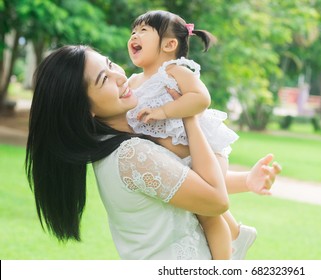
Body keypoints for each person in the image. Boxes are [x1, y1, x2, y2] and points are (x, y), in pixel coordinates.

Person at [25, 45, 281, 260]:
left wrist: (246, 180)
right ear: (83, 109)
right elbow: (216, 201)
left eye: (111, 64)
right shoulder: (132, 156)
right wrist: (188, 116)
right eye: (104, 79)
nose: (119, 76)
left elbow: (188, 183)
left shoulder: (124, 143)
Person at [125, 10, 265, 260]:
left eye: (143, 31)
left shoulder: (174, 71)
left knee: (208, 213)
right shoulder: (134, 81)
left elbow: (201, 98)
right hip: (180, 163)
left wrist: (164, 111)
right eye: (133, 32)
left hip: (207, 151)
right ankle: (238, 234)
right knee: (202, 200)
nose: (134, 36)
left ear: (169, 45)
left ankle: (226, 260)